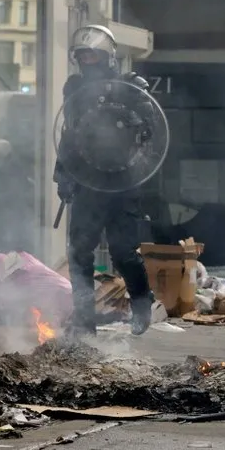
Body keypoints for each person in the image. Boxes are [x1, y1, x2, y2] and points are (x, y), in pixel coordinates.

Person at [54, 24, 155, 339]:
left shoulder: (132, 86)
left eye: (92, 54)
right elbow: (69, 136)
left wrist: (136, 122)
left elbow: (152, 132)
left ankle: (141, 301)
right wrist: (63, 176)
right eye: (81, 55)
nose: (87, 60)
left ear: (107, 54)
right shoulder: (74, 89)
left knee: (124, 251)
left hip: (124, 182)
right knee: (79, 252)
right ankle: (84, 321)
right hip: (88, 181)